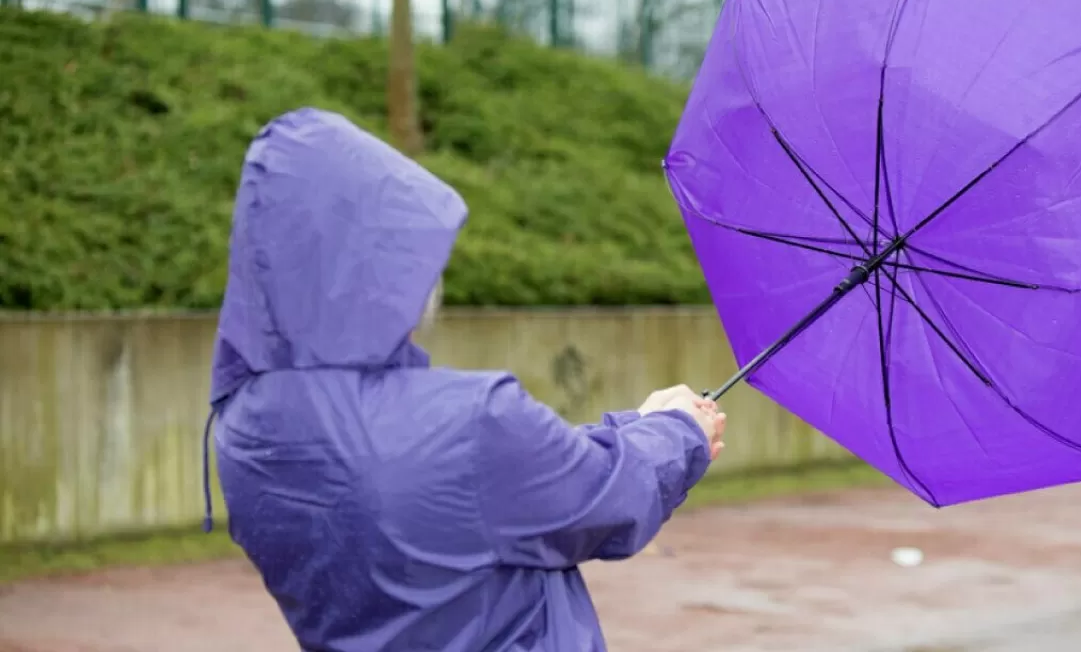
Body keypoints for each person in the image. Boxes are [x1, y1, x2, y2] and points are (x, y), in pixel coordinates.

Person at [201, 107, 727, 651]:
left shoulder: (242, 431)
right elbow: (604, 496)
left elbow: (516, 486)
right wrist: (677, 431)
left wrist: (637, 425)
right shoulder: (472, 422)